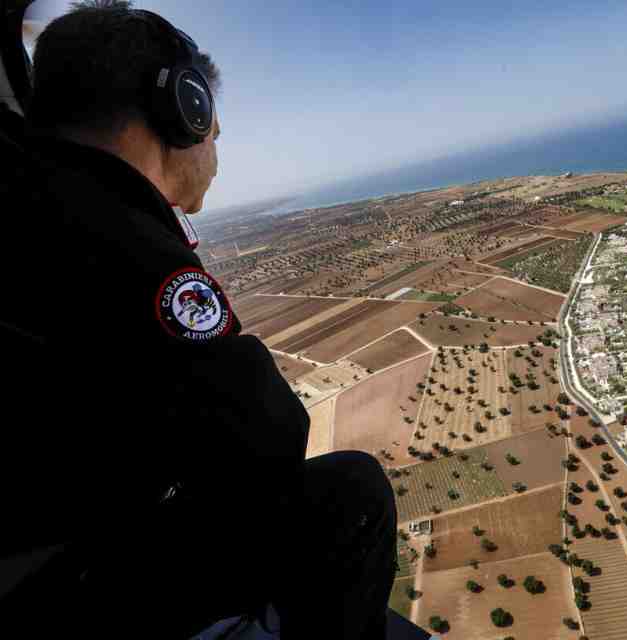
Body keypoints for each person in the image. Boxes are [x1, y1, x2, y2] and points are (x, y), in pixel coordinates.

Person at [0, 3, 397, 638]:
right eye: (211, 120)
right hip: (57, 590)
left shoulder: (27, 199)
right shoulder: (119, 240)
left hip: (28, 552)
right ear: (182, 111)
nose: (217, 139)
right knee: (352, 495)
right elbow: (268, 439)